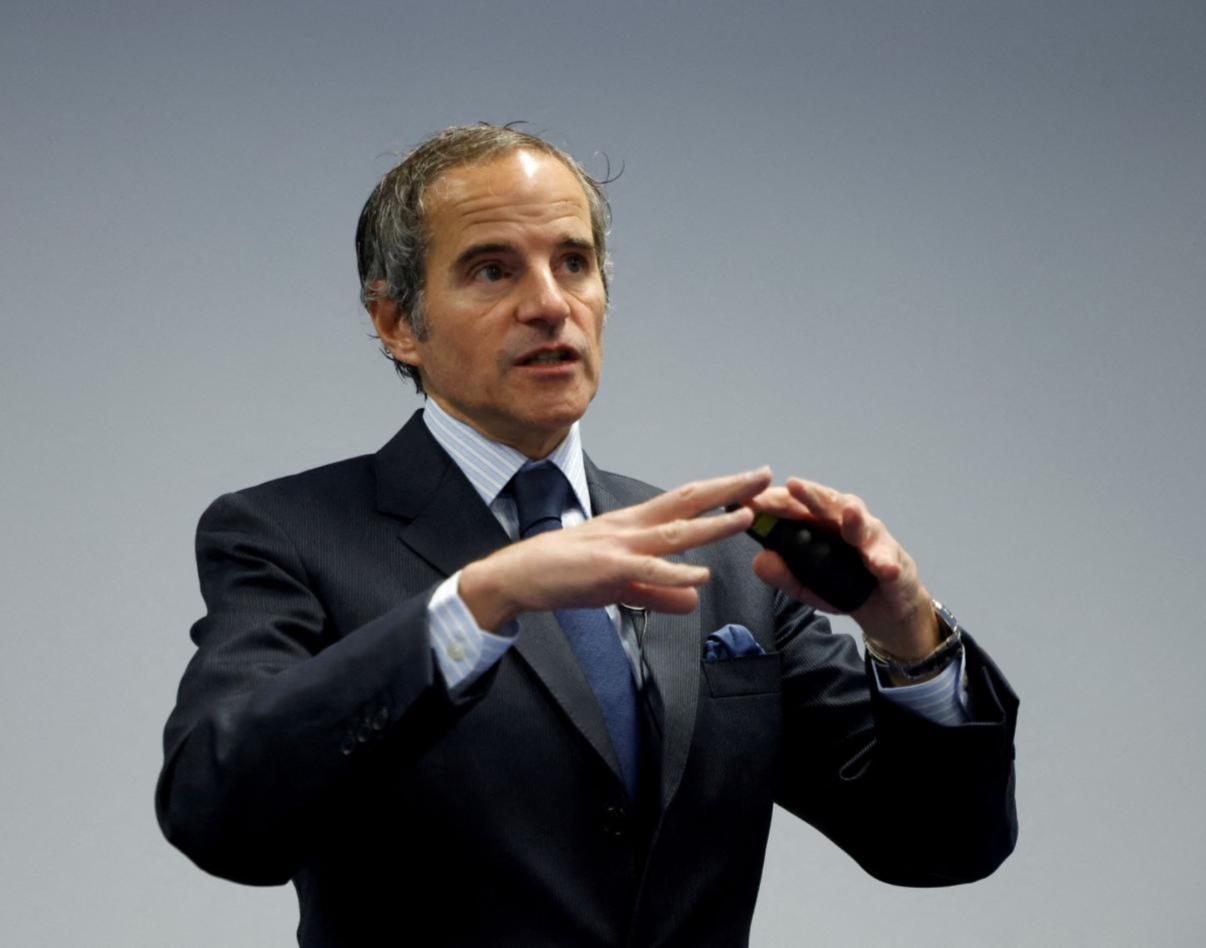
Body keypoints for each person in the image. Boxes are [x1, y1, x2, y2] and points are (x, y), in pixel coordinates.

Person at [156, 124, 1019, 947]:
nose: (548, 304)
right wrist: (483, 600)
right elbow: (220, 813)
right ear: (397, 323)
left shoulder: (727, 559)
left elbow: (941, 843)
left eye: (573, 262)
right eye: (492, 270)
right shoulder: (288, 535)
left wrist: (908, 634)